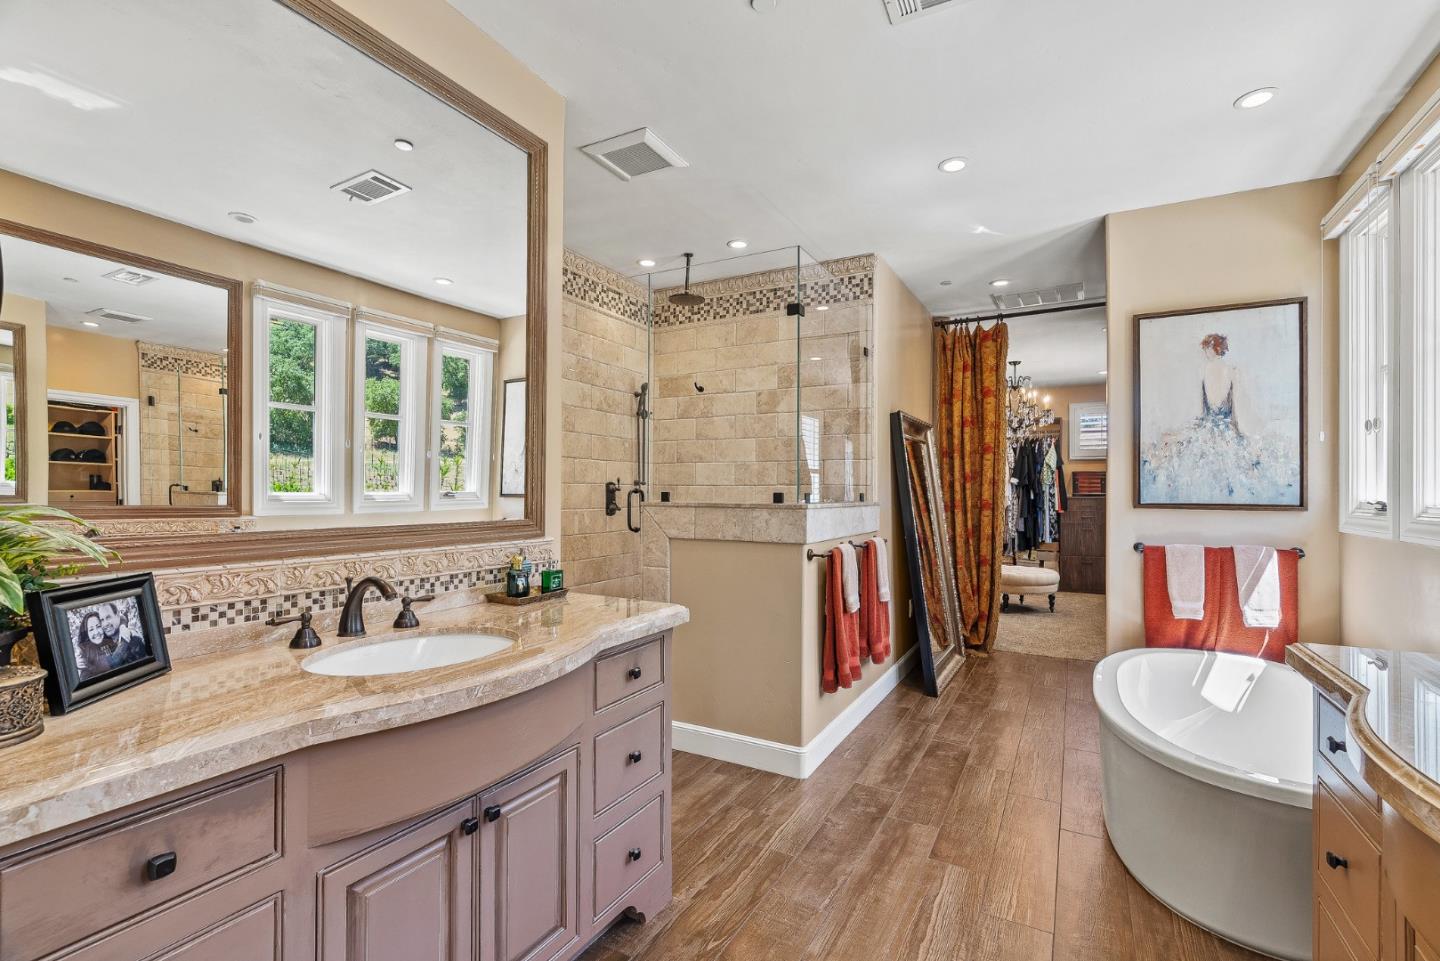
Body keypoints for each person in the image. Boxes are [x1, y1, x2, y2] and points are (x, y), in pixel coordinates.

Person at [99, 601, 147, 669]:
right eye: (102, 620)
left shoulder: (133, 639)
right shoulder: (101, 638)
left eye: (108, 617)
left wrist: (124, 633)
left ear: (117, 615)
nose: (105, 624)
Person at [73, 611, 110, 680]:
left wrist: (123, 625)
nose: (96, 632)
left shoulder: (110, 640)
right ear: (87, 634)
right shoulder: (85, 656)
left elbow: (121, 618)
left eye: (98, 626)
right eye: (91, 629)